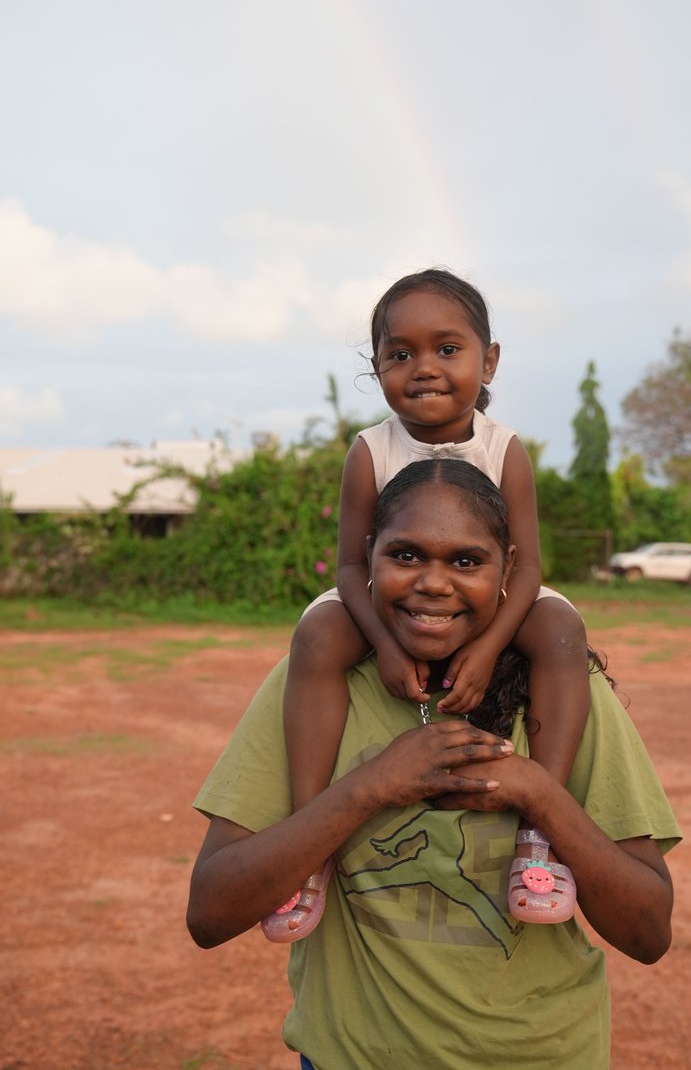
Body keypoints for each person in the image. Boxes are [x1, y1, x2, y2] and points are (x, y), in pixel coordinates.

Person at [187, 459, 681, 1070]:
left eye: (467, 562)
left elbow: (648, 933)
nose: (434, 584)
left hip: (543, 1056)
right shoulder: (316, 686)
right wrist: (370, 787)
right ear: (367, 556)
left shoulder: (563, 696)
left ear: (508, 569)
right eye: (405, 555)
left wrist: (538, 793)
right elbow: (211, 912)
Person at [273, 268, 590, 941]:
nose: (423, 367)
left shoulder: (504, 450)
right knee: (318, 635)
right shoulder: (370, 451)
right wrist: (384, 645)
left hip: (490, 598)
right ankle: (309, 841)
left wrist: (490, 645)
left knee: (562, 629)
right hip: (385, 602)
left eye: (447, 349)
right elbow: (352, 564)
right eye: (400, 353)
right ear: (377, 367)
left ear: (489, 360)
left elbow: (528, 566)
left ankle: (540, 836)